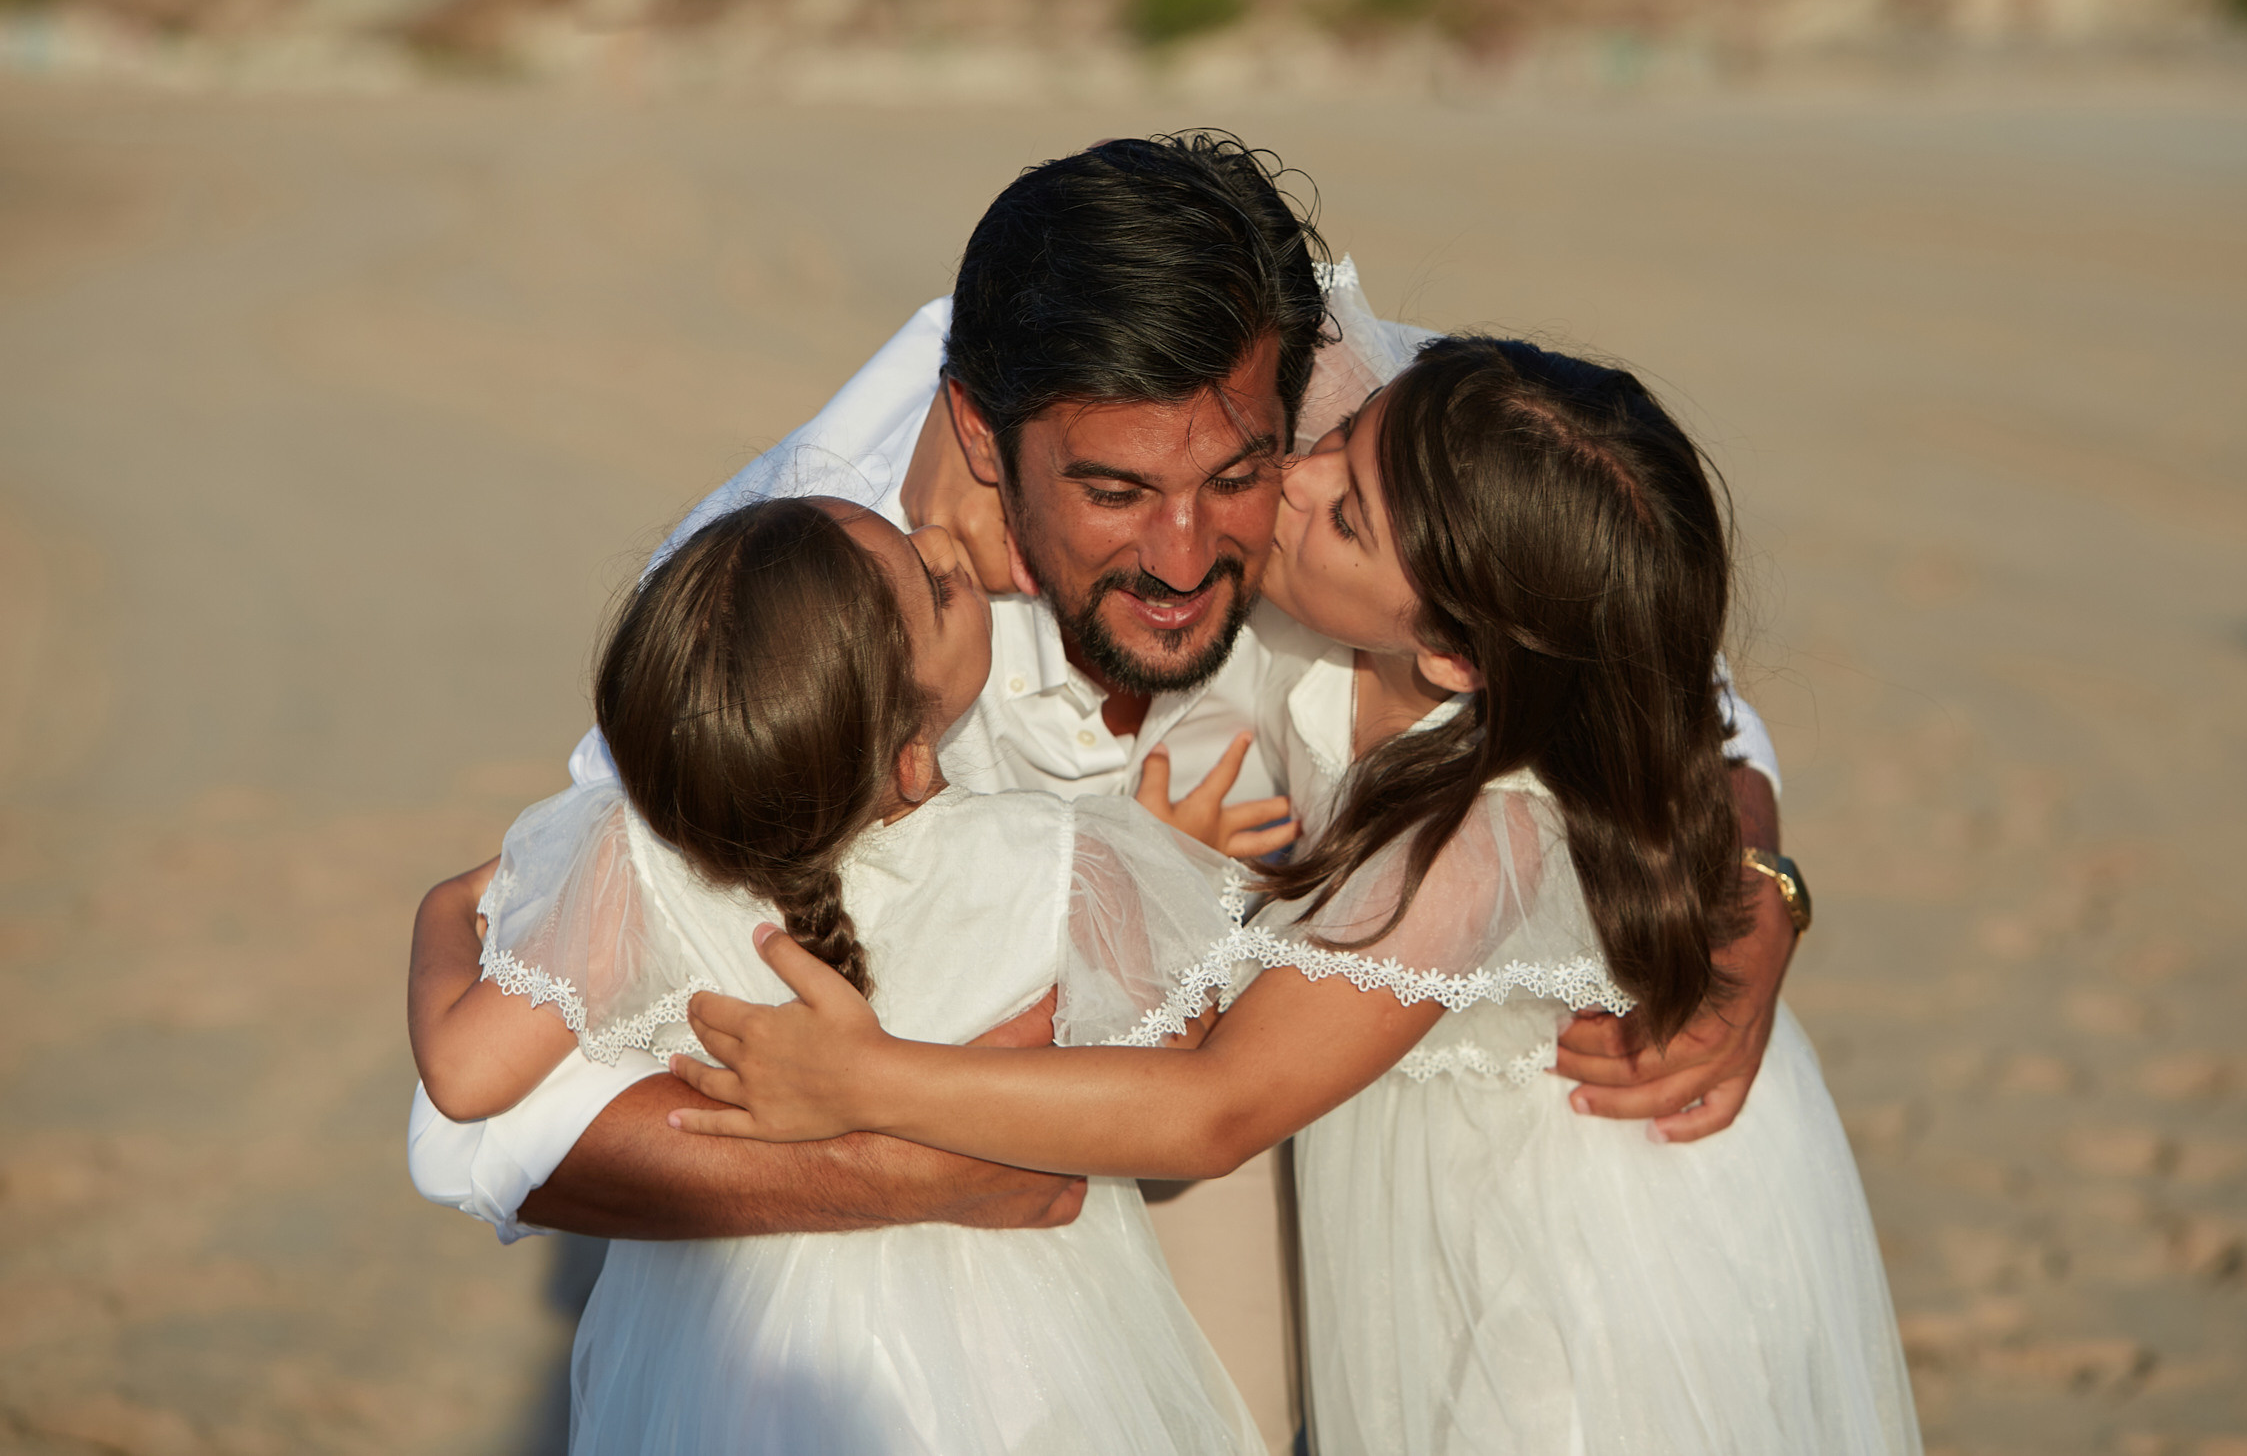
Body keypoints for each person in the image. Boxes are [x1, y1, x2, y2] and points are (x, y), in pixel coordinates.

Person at [407, 134, 1803, 1414]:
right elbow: (502, 1116)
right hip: (1007, 1165)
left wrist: (1753, 887)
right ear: (978, 436)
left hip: (1346, 1091)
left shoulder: (1351, 417)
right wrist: (920, 1166)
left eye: (1242, 473)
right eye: (1116, 493)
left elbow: (1652, 670)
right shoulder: (785, 593)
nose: (1190, 557)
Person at [667, 338, 1921, 1455]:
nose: (1294, 484)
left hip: (1572, 1255)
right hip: (1436, 1195)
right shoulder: (1428, 625)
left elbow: (1222, 1104)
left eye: (1349, 516)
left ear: (1451, 652)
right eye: (1332, 447)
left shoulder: (1481, 836)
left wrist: (864, 1079)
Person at [408, 495, 1263, 1453]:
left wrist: (444, 906)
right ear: (907, 757)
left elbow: (464, 1075)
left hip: (721, 1384)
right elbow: (1175, 1072)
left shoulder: (630, 858)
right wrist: (1158, 871)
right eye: (937, 587)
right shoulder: (1072, 866)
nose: (947, 543)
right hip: (1022, 1381)